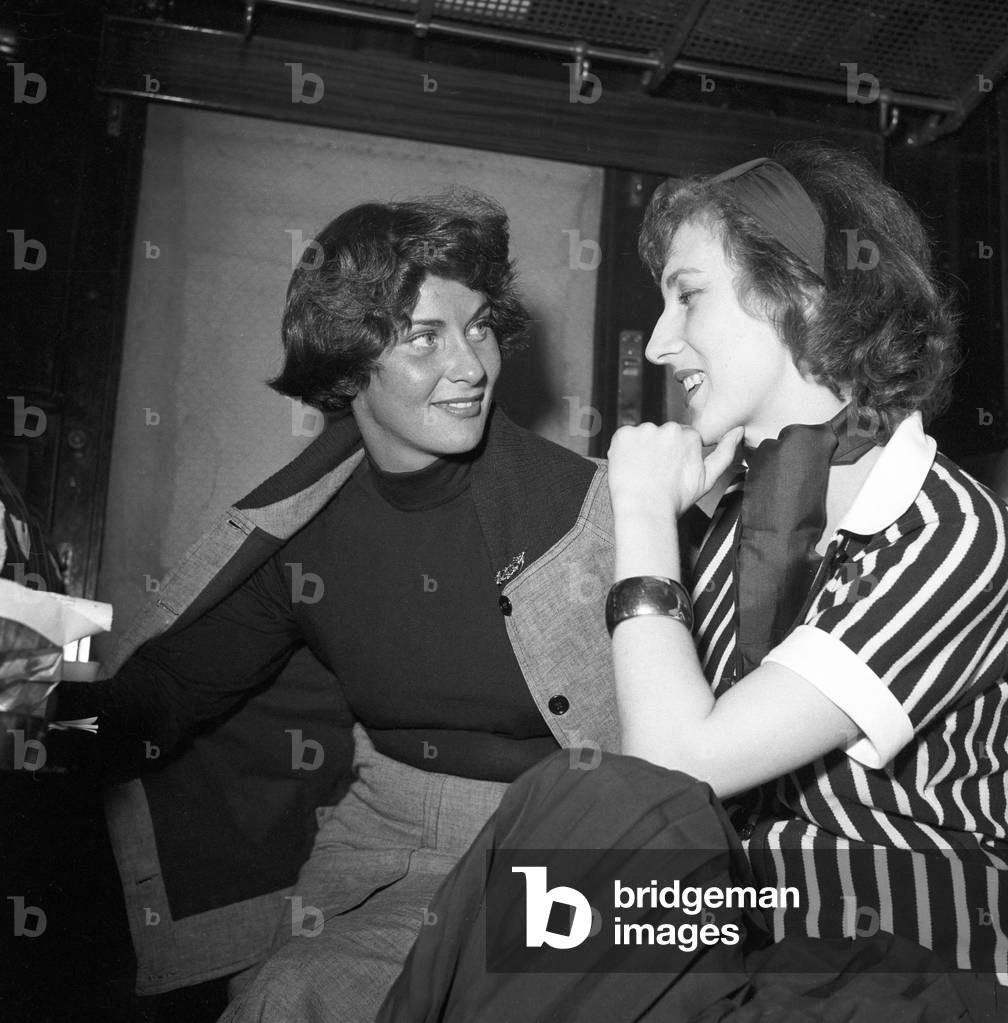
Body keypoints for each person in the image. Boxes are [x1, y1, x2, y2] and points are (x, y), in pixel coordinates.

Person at [378, 144, 1008, 1021]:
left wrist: (640, 510)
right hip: (751, 925)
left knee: (573, 813)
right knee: (526, 869)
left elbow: (674, 768)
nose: (664, 341)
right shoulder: (733, 525)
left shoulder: (941, 526)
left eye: (689, 295)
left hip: (915, 952)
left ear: (803, 290)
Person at [57, 191, 617, 1021]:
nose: (471, 366)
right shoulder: (305, 528)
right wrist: (43, 714)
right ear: (350, 363)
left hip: (558, 842)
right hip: (378, 833)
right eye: (427, 336)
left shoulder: (586, 512)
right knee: (274, 998)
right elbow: (171, 692)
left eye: (479, 327)